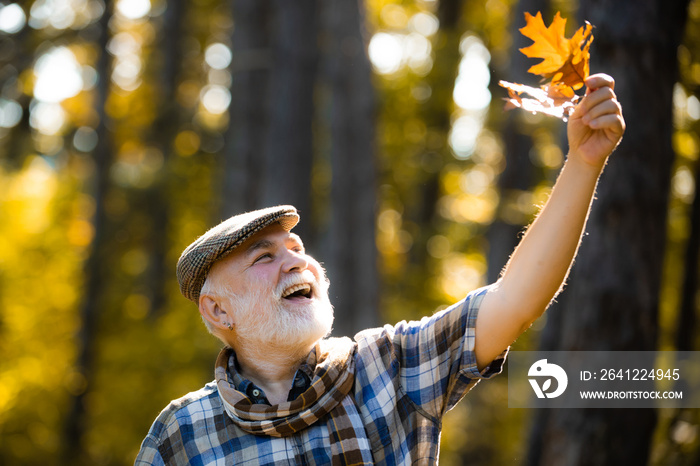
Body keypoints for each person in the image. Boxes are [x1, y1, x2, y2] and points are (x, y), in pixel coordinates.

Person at [135, 73, 624, 465]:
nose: (296, 261)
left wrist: (582, 164)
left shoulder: (391, 366)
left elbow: (516, 298)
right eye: (265, 257)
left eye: (297, 247)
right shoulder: (179, 437)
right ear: (218, 310)